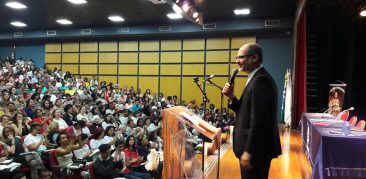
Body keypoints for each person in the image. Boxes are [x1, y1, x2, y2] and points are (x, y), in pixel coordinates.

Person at [222, 43, 282, 179]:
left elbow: (259, 120)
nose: (237, 61)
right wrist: (231, 96)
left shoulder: (261, 80)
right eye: (237, 57)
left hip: (256, 151)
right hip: (255, 150)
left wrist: (249, 151)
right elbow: (244, 111)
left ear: (254, 57)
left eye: (241, 57)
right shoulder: (255, 78)